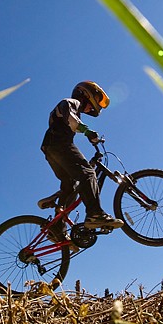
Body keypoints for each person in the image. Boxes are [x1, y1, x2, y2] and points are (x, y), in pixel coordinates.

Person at [39, 81, 124, 232]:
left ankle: (57, 228)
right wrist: (87, 131)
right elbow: (71, 118)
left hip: (50, 149)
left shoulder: (74, 112)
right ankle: (95, 214)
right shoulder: (71, 102)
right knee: (88, 173)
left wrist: (89, 139)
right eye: (93, 104)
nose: (91, 108)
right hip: (59, 145)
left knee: (71, 185)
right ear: (86, 94)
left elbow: (72, 123)